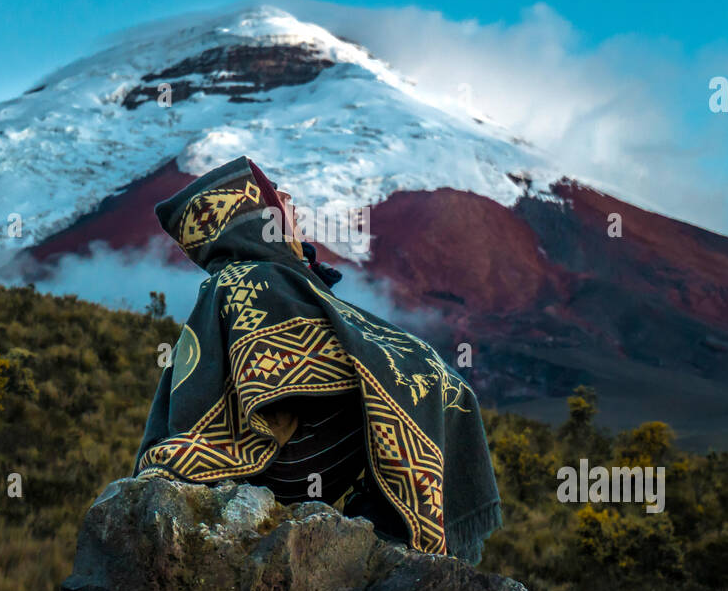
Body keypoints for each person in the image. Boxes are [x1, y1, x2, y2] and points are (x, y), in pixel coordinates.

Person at [132, 155, 502, 563]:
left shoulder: (246, 277)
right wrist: (412, 369)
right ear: (250, 215)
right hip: (277, 457)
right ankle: (395, 530)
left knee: (413, 384)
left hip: (273, 452)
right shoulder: (255, 278)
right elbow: (304, 365)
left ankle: (387, 524)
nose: (288, 201)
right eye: (275, 196)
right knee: (425, 388)